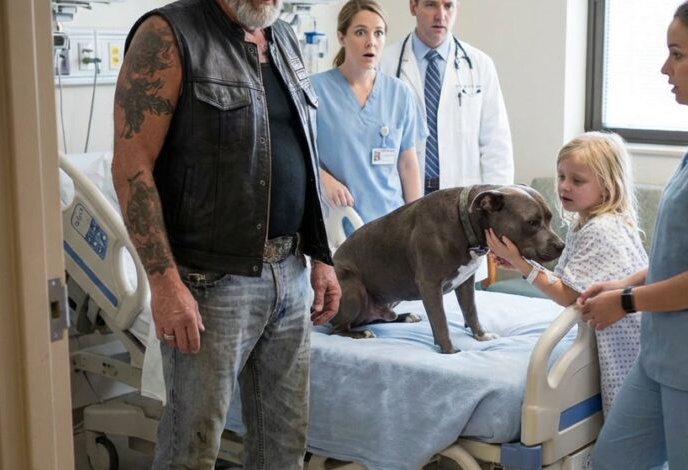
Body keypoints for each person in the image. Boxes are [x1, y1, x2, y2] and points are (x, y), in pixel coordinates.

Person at [111, 0, 341, 467]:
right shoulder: (170, 34)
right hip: (211, 284)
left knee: (284, 449)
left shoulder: (283, 38)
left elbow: (302, 149)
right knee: (191, 451)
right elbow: (132, 165)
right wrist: (164, 283)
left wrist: (321, 257)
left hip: (290, 274)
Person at [580, 1, 688, 468]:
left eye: (677, 54)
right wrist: (625, 283)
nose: (664, 68)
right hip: (658, 354)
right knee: (611, 461)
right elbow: (678, 256)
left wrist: (627, 302)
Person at [485, 132, 648, 416]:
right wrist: (521, 264)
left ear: (607, 186)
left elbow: (566, 295)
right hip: (619, 332)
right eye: (561, 176)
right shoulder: (586, 222)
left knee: (627, 418)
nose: (564, 186)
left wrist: (520, 263)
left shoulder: (601, 229)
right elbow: (567, 281)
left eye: (577, 180)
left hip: (626, 341)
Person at [380, 0, 514, 194]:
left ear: (457, 8)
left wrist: (496, 204)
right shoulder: (384, 64)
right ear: (413, 6)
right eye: (431, 5)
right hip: (401, 196)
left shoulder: (480, 66)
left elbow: (496, 146)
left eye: (448, 6)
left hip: (462, 198)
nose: (440, 15)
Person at [313, 0, 426, 225]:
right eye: (360, 32)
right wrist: (322, 178)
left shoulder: (400, 94)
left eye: (378, 33)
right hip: (338, 224)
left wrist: (417, 223)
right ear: (341, 37)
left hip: (391, 224)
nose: (371, 42)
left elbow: (408, 165)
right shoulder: (314, 90)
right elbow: (296, 155)